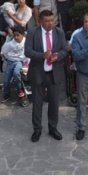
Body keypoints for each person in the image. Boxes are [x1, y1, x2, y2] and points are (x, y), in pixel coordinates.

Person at [24, 10, 67, 142]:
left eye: (52, 20)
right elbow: (27, 51)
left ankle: (53, 128)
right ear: (41, 21)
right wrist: (42, 55)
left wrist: (57, 56)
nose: (50, 23)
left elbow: (64, 50)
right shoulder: (33, 32)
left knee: (54, 103)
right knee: (37, 103)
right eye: (47, 21)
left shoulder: (59, 32)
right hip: (38, 72)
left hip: (54, 72)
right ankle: (37, 129)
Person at [0, 25, 29, 104]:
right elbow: (3, 52)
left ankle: (20, 90)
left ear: (23, 35)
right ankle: (6, 94)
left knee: (17, 73)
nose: (16, 37)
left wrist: (26, 66)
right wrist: (8, 58)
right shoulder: (10, 43)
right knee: (6, 80)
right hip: (10, 61)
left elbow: (28, 55)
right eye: (14, 35)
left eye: (18, 35)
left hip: (21, 61)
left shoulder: (26, 42)